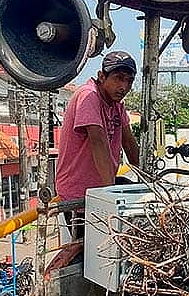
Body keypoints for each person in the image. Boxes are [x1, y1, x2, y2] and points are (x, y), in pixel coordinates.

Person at [55, 51, 140, 238]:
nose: (123, 86)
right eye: (118, 78)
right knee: (92, 255)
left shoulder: (117, 104)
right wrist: (110, 196)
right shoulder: (88, 95)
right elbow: (98, 140)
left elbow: (129, 141)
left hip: (101, 188)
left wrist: (149, 180)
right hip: (80, 194)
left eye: (129, 81)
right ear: (102, 76)